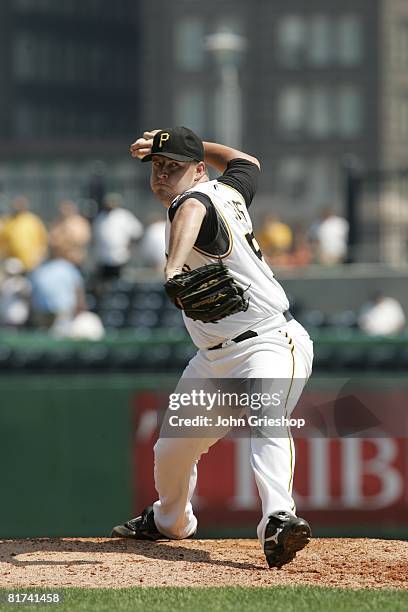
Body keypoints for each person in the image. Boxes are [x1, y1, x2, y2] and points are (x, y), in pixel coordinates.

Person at [110, 127, 314, 569]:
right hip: (214, 359)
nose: (163, 175)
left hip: (269, 342)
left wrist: (174, 265)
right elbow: (248, 161)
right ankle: (169, 520)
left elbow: (191, 209)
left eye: (175, 167)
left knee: (265, 416)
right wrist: (191, 148)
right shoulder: (228, 188)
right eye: (159, 166)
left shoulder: (196, 198)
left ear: (199, 171)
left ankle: (279, 518)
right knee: (172, 450)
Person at [92, 192, 143, 283]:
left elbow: (137, 232)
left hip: (121, 258)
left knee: (121, 284)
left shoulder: (123, 215)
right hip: (104, 259)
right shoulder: (100, 217)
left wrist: (129, 245)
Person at [0, 196, 48, 271]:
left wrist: (39, 257)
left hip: (31, 264)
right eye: (17, 204)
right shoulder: (7, 221)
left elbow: (43, 241)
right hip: (12, 264)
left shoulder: (33, 220)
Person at [48, 200, 91, 267]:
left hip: (75, 260)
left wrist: (65, 241)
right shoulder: (57, 223)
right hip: (59, 260)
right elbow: (52, 240)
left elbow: (80, 239)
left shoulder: (79, 222)